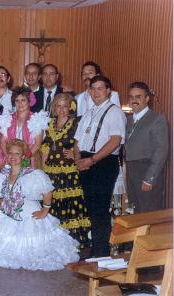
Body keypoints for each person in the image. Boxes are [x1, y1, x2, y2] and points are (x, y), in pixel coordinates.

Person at [0, 139, 79, 270]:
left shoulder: (33, 174)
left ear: (23, 156)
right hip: (7, 214)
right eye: (10, 153)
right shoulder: (2, 173)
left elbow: (47, 192)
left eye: (17, 153)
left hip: (29, 216)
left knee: (31, 251)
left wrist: (45, 210)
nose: (13, 157)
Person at [74, 75, 126, 257]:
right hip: (86, 162)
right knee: (91, 208)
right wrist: (78, 159)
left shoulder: (114, 112)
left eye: (100, 89)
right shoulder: (88, 113)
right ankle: (96, 250)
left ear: (108, 91)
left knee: (101, 209)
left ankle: (101, 254)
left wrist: (93, 159)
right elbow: (77, 141)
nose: (96, 92)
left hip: (103, 163)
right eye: (92, 89)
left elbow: (114, 141)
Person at [41, 93, 90, 247]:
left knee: (70, 203)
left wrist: (75, 153)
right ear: (54, 108)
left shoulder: (76, 123)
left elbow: (83, 142)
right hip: (51, 169)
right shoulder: (49, 124)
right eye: (58, 106)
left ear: (71, 107)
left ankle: (73, 240)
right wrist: (43, 169)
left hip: (69, 170)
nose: (61, 109)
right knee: (52, 201)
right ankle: (54, 240)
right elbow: (45, 147)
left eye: (64, 106)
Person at [125, 82, 168, 212]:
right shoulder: (128, 120)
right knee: (135, 213)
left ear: (147, 98)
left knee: (149, 214)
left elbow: (161, 150)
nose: (134, 100)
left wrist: (150, 179)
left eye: (138, 97)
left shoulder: (156, 119)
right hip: (131, 171)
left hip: (146, 170)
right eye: (131, 97)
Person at [0, 87, 49, 168]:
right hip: (11, 160)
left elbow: (37, 144)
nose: (20, 103)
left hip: (30, 159)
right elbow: (3, 141)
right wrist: (9, 156)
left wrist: (24, 159)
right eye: (17, 100)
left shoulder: (36, 119)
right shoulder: (8, 118)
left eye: (23, 100)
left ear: (29, 102)